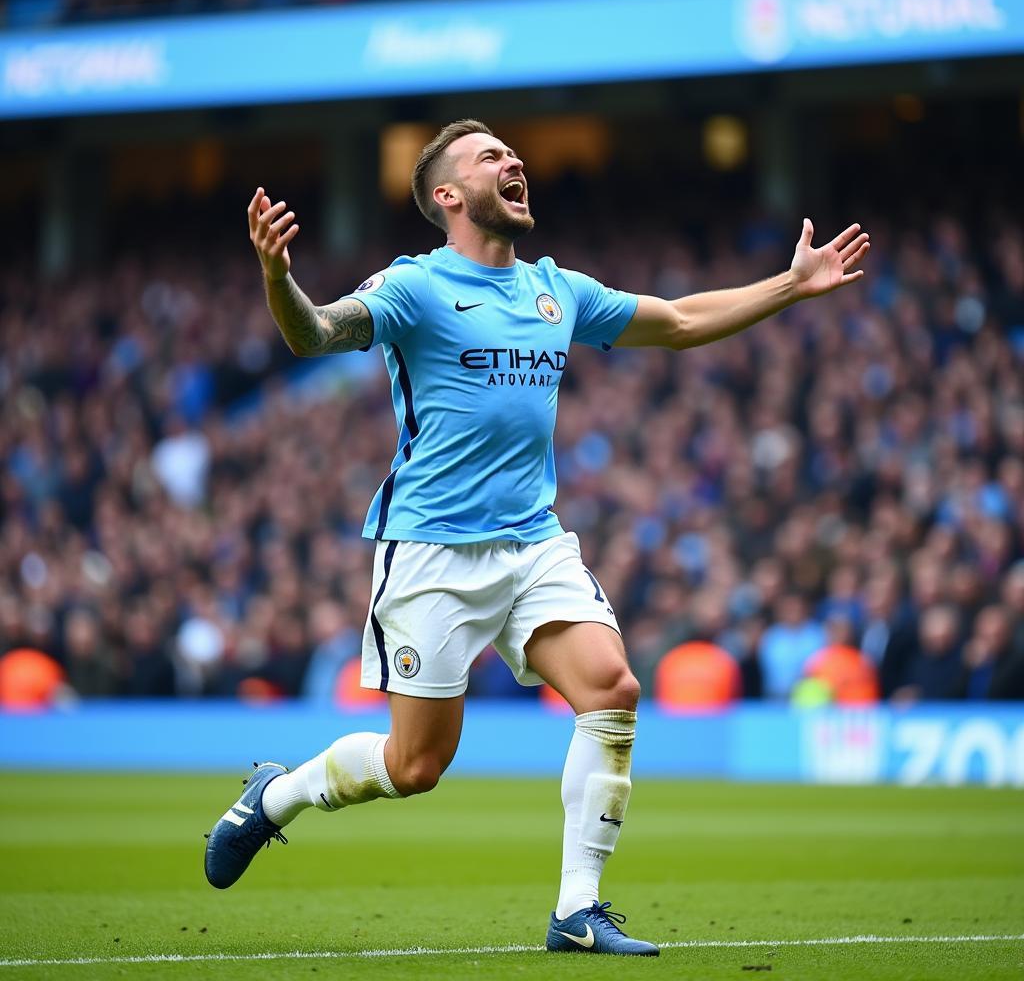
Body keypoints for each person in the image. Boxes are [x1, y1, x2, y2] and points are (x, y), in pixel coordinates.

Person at [204, 119, 869, 956]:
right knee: (415, 768)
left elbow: (679, 320)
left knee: (613, 689)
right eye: (490, 157)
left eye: (512, 154)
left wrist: (789, 285)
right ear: (448, 196)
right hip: (432, 553)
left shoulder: (558, 290)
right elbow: (314, 332)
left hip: (533, 544)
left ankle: (577, 912)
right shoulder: (414, 287)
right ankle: (278, 795)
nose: (513, 160)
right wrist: (277, 279)